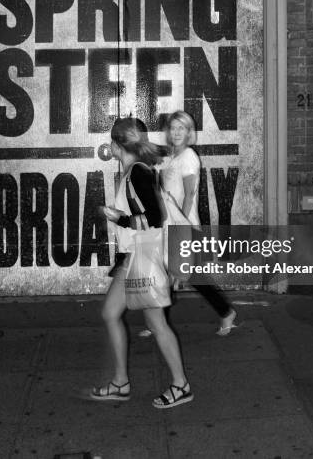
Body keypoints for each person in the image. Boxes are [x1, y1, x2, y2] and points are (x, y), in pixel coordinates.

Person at [91, 117, 193, 409]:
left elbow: (155, 217)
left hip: (142, 258)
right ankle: (121, 382)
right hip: (132, 258)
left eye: (111, 141)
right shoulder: (134, 171)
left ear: (117, 144)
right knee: (112, 314)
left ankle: (180, 385)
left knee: (156, 323)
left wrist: (118, 218)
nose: (109, 146)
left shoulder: (137, 172)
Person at [159, 110, 237, 336]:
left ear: (189, 132)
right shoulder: (174, 156)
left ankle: (225, 312)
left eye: (181, 128)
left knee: (192, 276)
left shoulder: (189, 156)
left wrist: (180, 226)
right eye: (173, 128)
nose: (176, 132)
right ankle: (159, 324)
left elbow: (190, 194)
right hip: (173, 223)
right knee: (169, 274)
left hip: (183, 225)